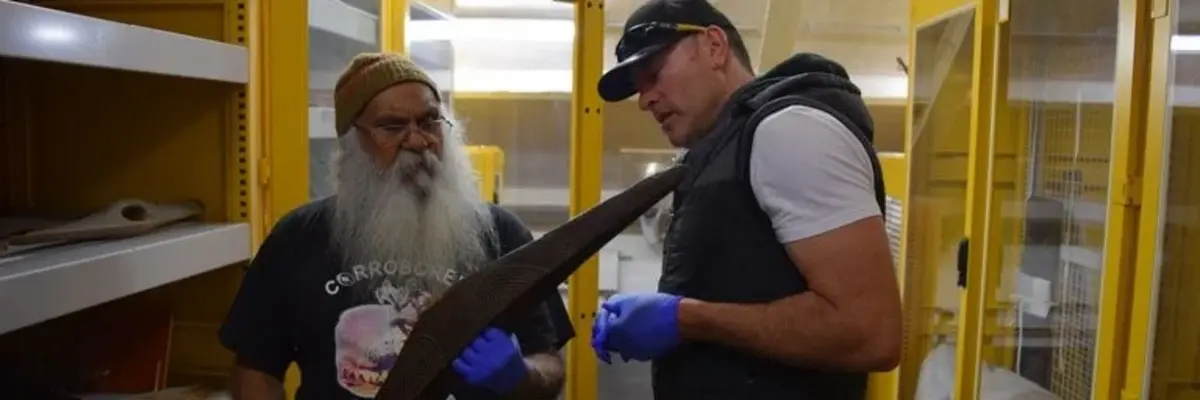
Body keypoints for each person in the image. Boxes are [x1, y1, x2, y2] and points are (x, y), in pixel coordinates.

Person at [589, 0, 903, 398]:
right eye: (640, 87)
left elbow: (870, 332)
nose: (645, 99)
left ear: (715, 47)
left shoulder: (788, 132)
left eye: (654, 74)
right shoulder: (722, 152)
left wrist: (685, 319)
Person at [219, 52, 573, 400]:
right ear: (352, 141)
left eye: (430, 121)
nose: (418, 141)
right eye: (392, 126)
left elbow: (549, 362)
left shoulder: (502, 234)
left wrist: (520, 376)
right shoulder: (297, 238)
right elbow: (256, 368)